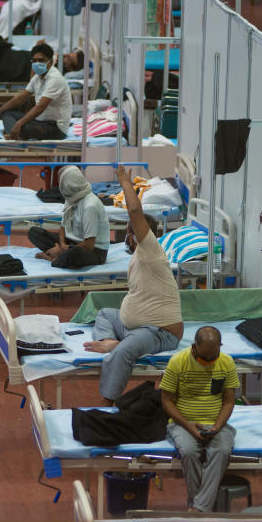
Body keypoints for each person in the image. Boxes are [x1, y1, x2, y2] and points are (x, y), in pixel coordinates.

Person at [84, 166, 183, 403]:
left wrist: (125, 183)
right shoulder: (139, 256)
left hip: (159, 332)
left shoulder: (151, 250)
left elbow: (135, 211)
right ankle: (112, 342)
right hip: (134, 328)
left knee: (123, 353)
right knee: (106, 314)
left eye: (129, 232)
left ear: (136, 234)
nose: (126, 237)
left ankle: (107, 403)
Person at [159, 326, 239, 512]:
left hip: (216, 424)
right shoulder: (178, 362)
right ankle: (200, 508)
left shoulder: (227, 363)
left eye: (213, 356)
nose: (208, 362)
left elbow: (228, 402)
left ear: (220, 346)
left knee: (222, 450)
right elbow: (166, 401)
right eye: (204, 358)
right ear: (194, 347)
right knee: (188, 452)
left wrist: (217, 427)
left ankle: (196, 508)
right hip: (183, 423)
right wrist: (188, 425)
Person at [0, 42, 71, 140]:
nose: (37, 63)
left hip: (56, 128)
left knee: (25, 127)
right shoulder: (38, 77)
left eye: (41, 60)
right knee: (7, 114)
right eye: (34, 61)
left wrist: (19, 123)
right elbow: (20, 98)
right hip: (39, 121)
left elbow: (40, 107)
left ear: (50, 62)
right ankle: (16, 134)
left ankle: (15, 134)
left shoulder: (55, 79)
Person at [27, 166, 109, 268]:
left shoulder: (90, 206)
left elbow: (89, 244)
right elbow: (63, 226)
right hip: (71, 243)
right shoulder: (71, 196)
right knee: (34, 232)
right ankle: (59, 255)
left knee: (73, 255)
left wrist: (63, 250)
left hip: (94, 250)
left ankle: (53, 258)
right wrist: (62, 244)